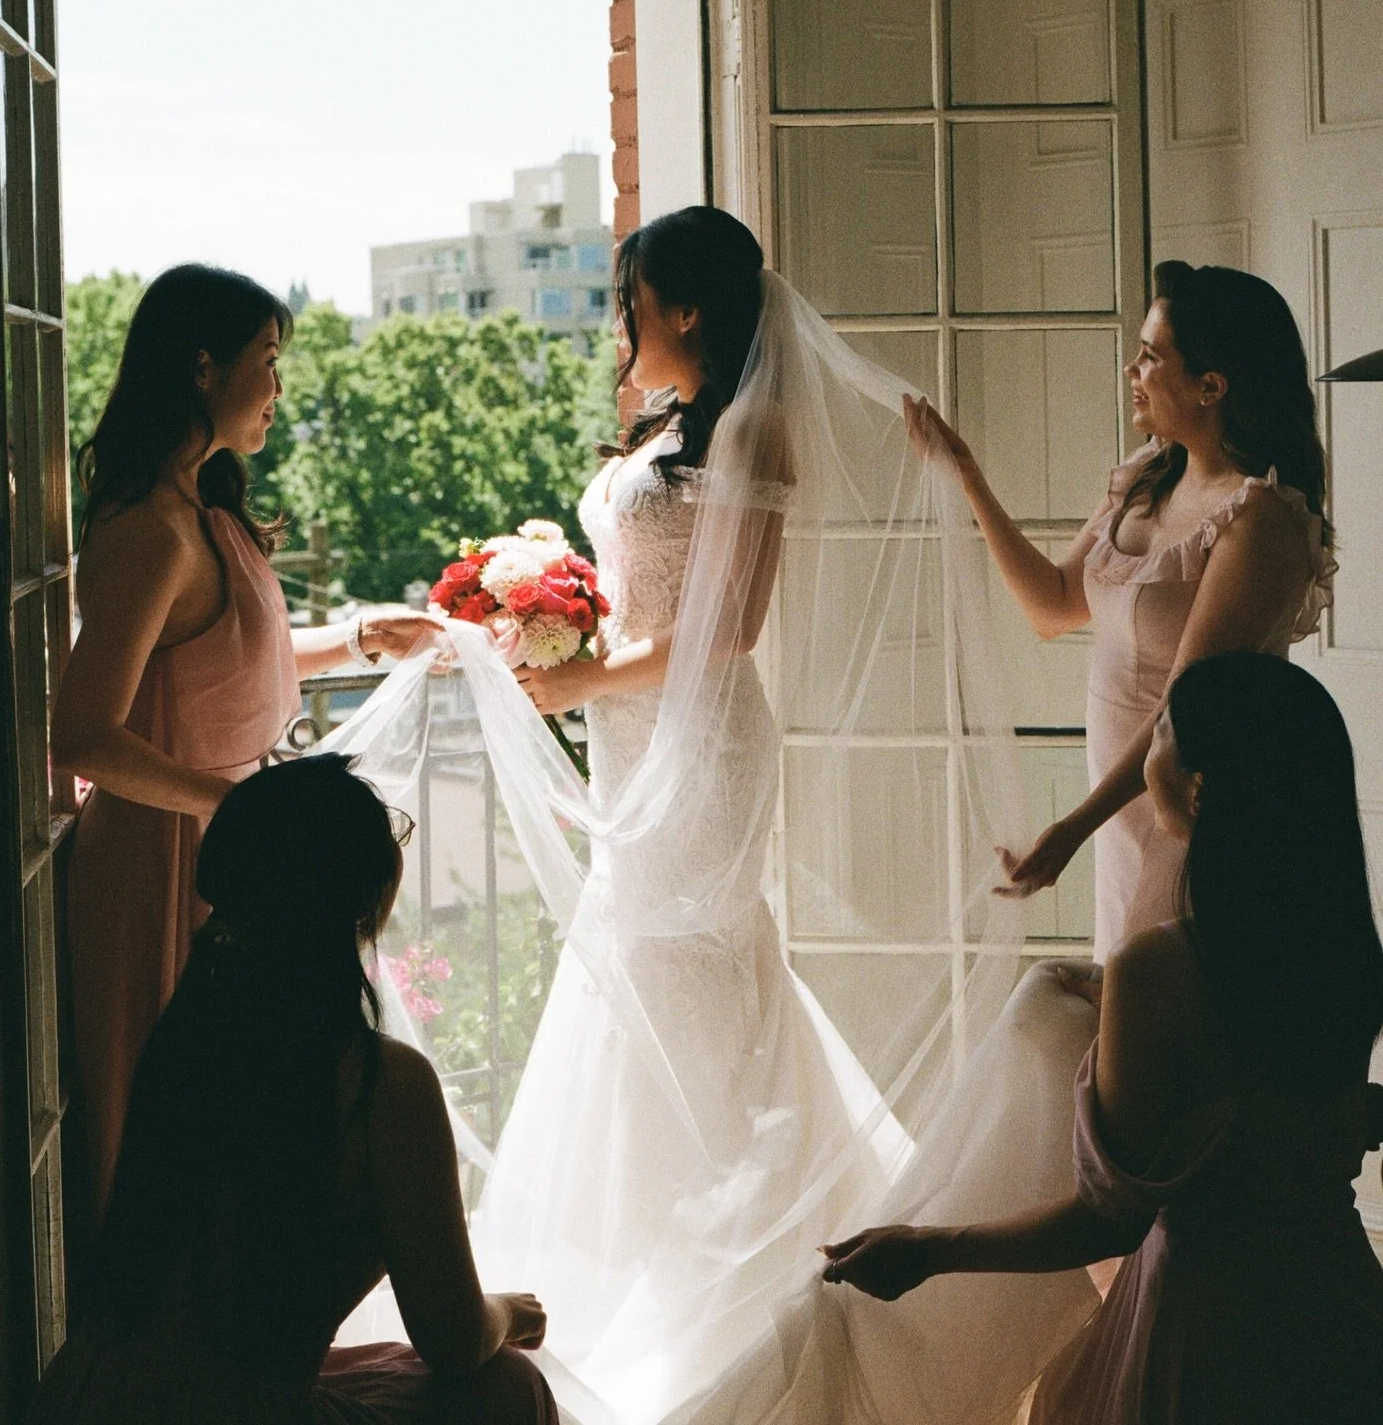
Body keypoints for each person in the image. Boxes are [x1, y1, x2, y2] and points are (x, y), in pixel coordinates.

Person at [336, 207, 1100, 1425]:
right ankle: (666, 1251)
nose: (620, 321)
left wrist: (585, 678)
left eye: (632, 300)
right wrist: (540, 626)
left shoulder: (754, 428)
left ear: (687, 309)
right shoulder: (665, 430)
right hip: (635, 735)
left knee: (679, 983)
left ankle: (733, 1278)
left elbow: (729, 628)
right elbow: (643, 599)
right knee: (659, 989)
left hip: (703, 750)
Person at [823, 652, 1383, 1425]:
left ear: (1198, 788)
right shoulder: (1349, 957)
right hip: (1338, 1313)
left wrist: (930, 1248)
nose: (1146, 744)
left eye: (1163, 730)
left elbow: (1107, 1220)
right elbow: (1278, 1103)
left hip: (1206, 1339)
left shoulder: (1157, 969)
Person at [52, 264, 436, 1218]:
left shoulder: (204, 511)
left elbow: (224, 666)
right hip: (162, 862)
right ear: (201, 367)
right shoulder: (151, 530)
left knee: (240, 1125)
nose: (278, 386)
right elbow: (82, 734)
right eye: (266, 360)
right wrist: (232, 804)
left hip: (222, 848)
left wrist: (360, 637)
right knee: (171, 1132)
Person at [30, 755, 557, 1425]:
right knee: (507, 1386)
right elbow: (454, 1339)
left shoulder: (186, 1041)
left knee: (384, 1366)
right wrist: (507, 1312)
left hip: (81, 1396)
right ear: (355, 894)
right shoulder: (380, 1083)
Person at [905, 261, 1335, 959]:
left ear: (1211, 386)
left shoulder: (1260, 522)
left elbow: (1183, 709)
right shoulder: (1147, 476)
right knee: (1128, 989)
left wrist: (1072, 829)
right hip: (1119, 812)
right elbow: (1051, 607)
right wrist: (966, 475)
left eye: (1150, 356)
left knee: (1167, 991)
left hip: (1194, 805)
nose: (1131, 371)